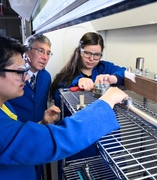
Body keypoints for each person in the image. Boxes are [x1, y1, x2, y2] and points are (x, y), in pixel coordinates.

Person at [0, 33, 128, 180]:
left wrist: (41, 123)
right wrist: (106, 102)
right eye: (20, 72)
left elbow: (14, 138)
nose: (26, 77)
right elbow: (56, 139)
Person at [49, 32, 127, 178]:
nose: (92, 59)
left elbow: (125, 72)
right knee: (79, 174)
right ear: (79, 51)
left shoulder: (105, 68)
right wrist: (77, 82)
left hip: (108, 138)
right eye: (87, 54)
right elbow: (61, 103)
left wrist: (113, 78)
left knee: (111, 173)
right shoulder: (66, 77)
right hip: (81, 143)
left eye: (97, 55)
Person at [8, 34, 52, 124]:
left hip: (40, 128)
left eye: (48, 53)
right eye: (40, 51)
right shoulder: (12, 76)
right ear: (27, 52)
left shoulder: (46, 77)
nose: (45, 57)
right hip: (17, 130)